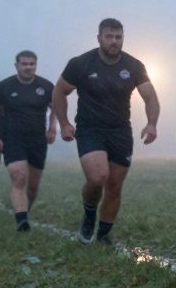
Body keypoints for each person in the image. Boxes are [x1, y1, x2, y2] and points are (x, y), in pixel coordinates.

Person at [52, 18, 160, 244]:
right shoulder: (81, 64)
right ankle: (89, 215)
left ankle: (103, 235)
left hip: (120, 131)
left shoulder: (133, 66)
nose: (114, 41)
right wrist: (63, 123)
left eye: (118, 37)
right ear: (99, 38)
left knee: (114, 186)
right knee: (97, 178)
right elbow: (59, 91)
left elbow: (150, 97)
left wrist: (151, 123)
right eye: (109, 37)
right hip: (90, 129)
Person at [0, 51, 58, 232]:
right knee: (19, 178)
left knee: (32, 186)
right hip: (12, 139)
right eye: (24, 64)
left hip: (37, 140)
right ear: (16, 66)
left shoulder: (46, 87)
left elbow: (57, 107)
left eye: (32, 64)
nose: (28, 67)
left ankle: (25, 210)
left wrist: (52, 128)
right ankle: (22, 221)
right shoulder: (4, 87)